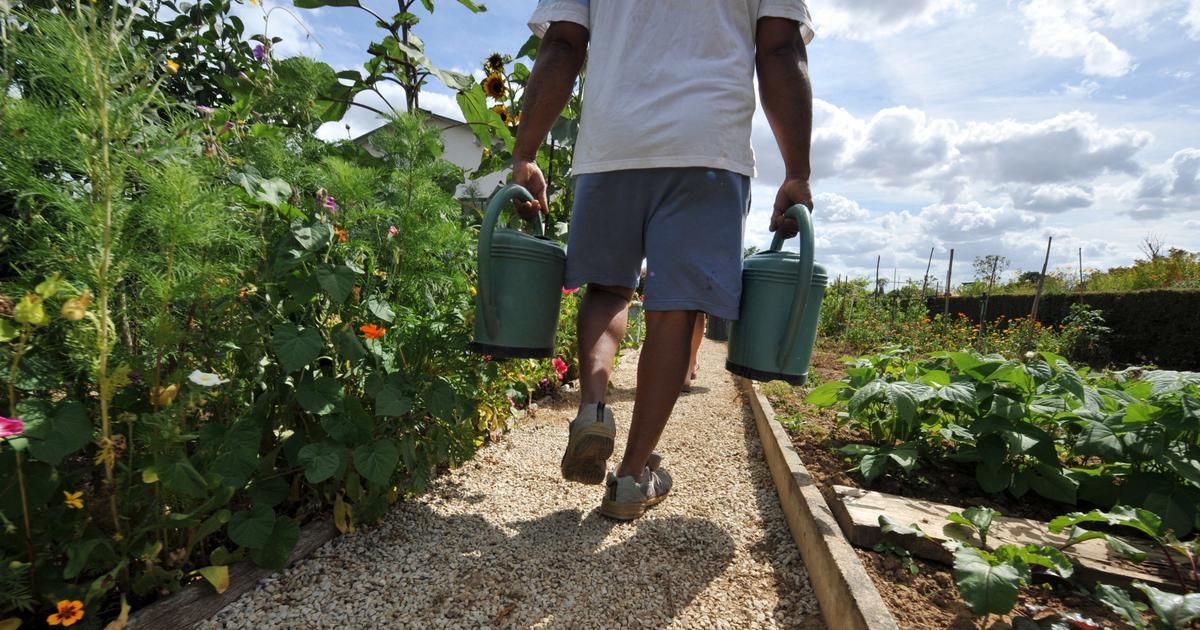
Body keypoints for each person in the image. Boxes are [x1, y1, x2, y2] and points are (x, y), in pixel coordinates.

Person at [512, 0, 816, 520]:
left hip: (612, 146)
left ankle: (593, 406)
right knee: (677, 310)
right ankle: (631, 479)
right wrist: (798, 171)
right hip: (707, 148)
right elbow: (780, 49)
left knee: (608, 289)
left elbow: (563, 43)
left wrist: (525, 152)